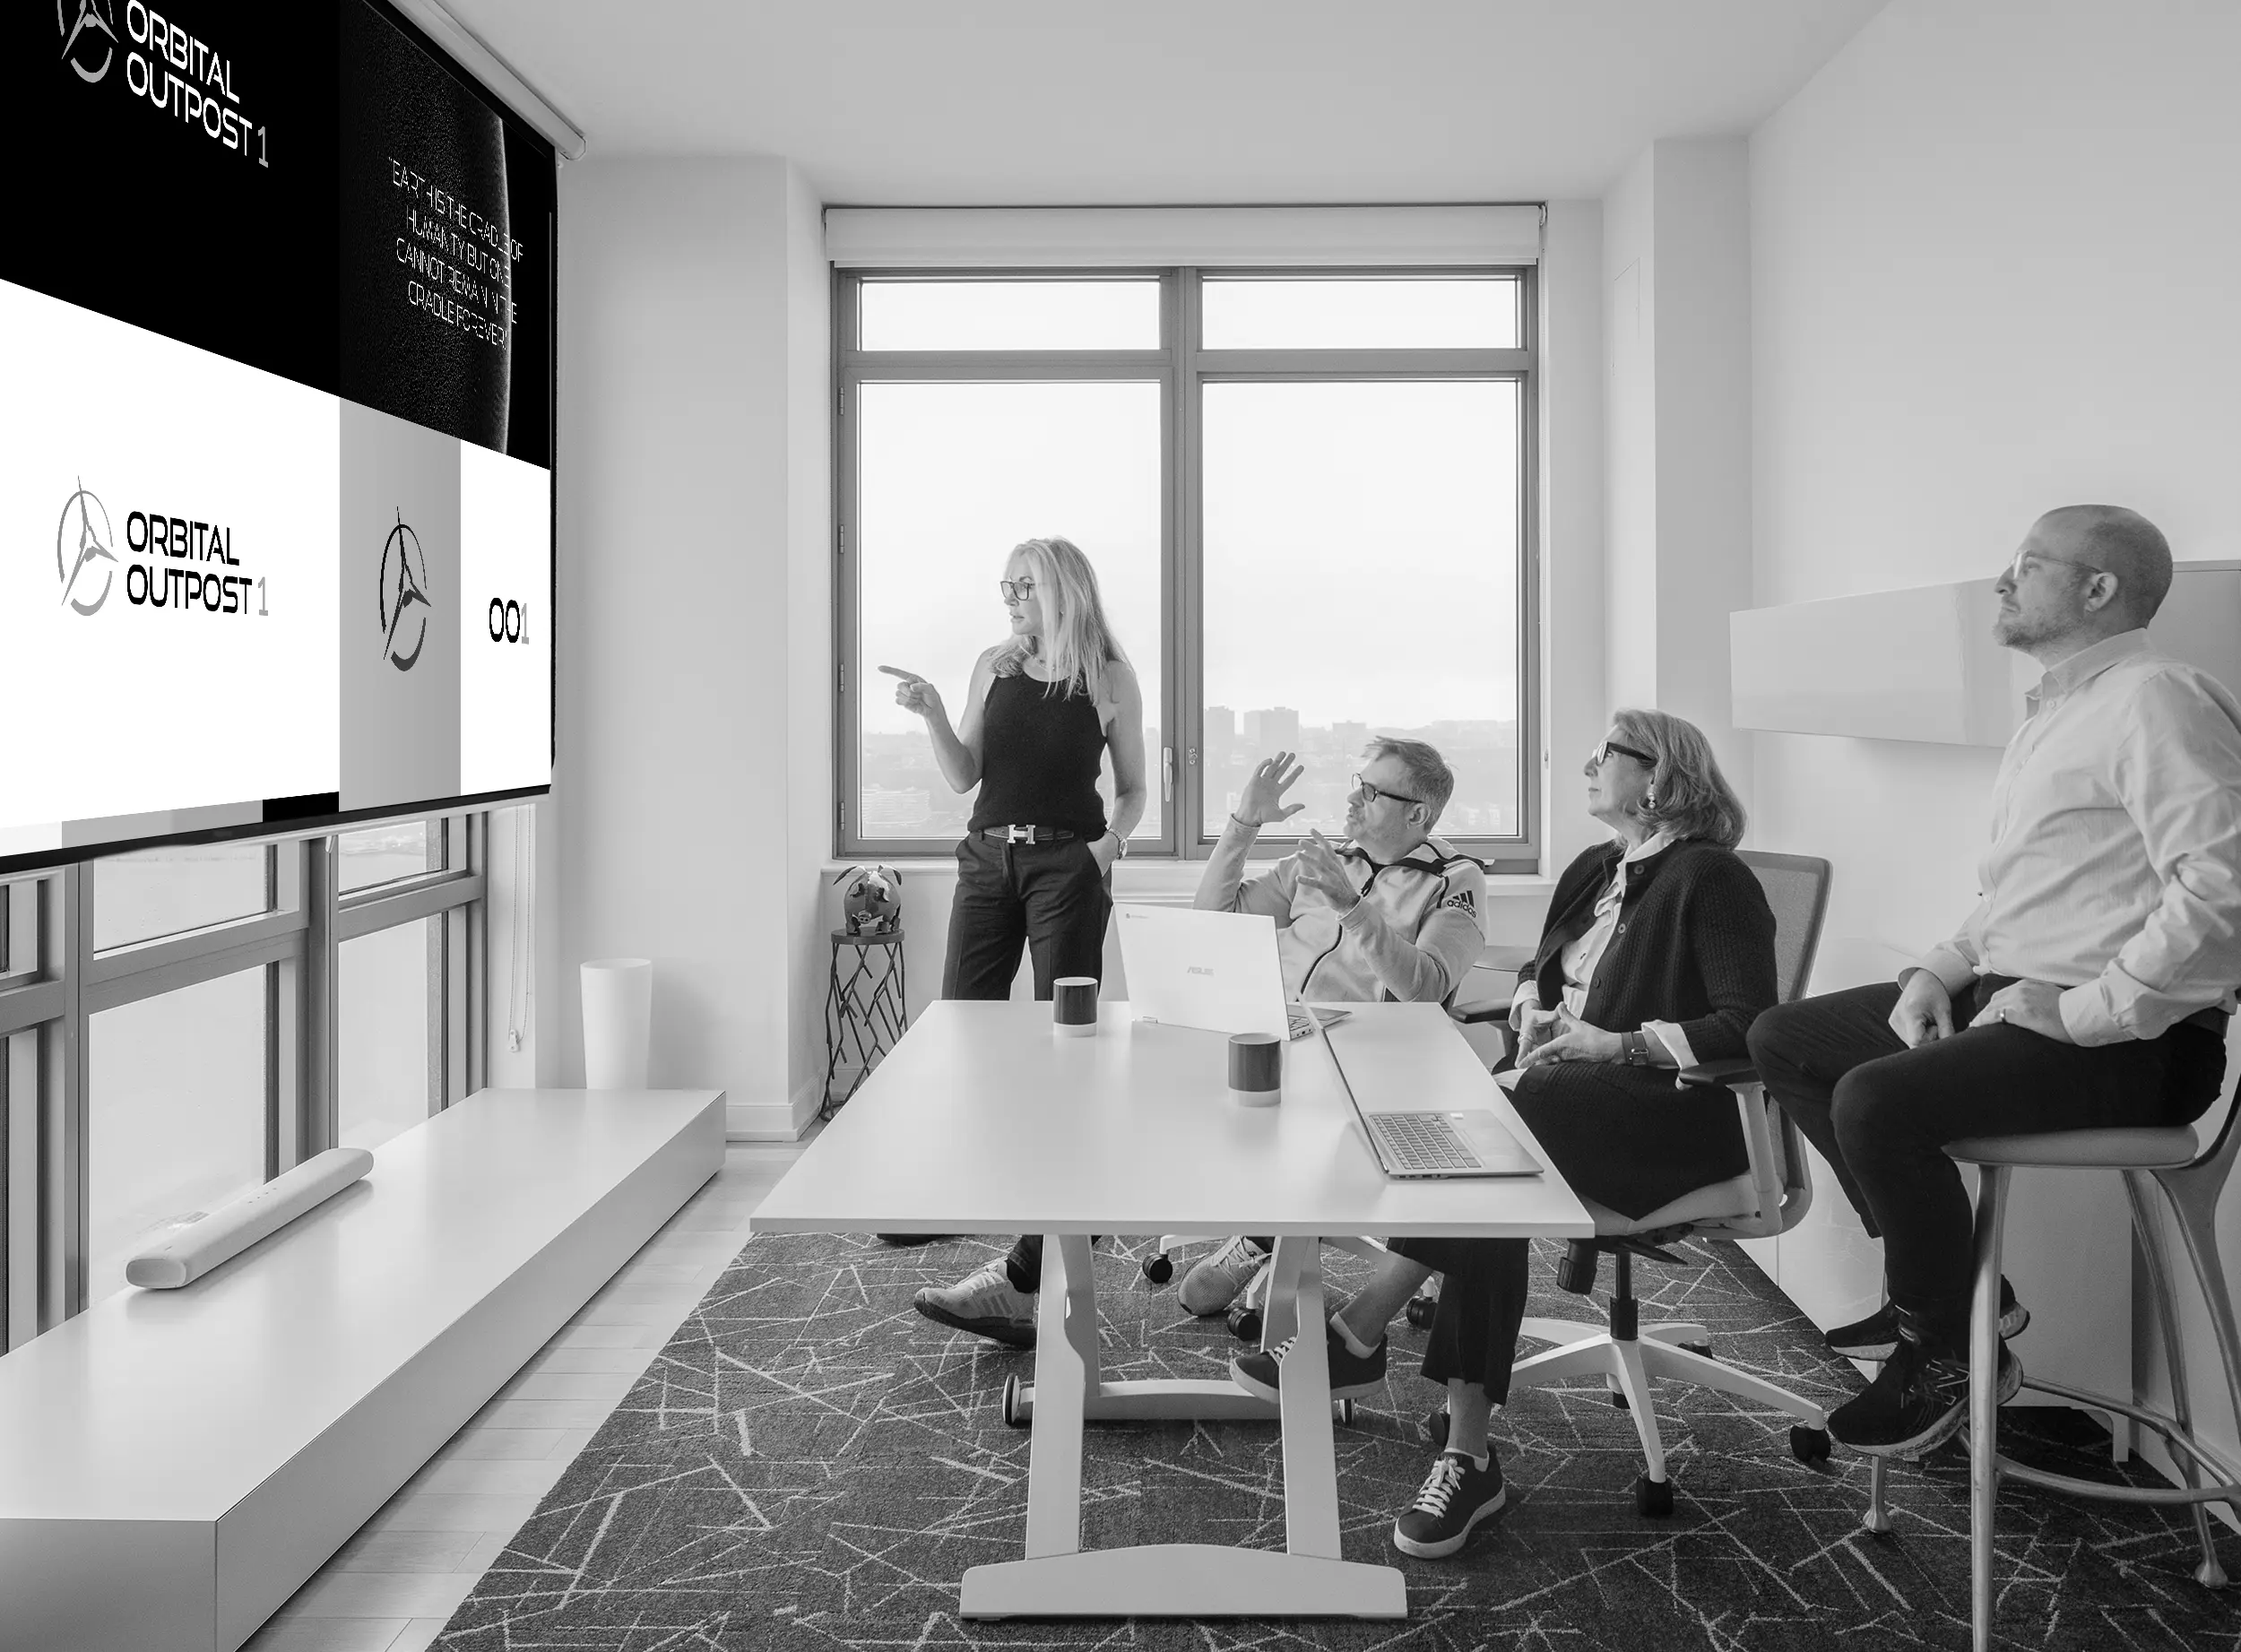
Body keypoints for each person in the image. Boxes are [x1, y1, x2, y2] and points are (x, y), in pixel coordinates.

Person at [1746, 505, 2240, 1458]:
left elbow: (2220, 889)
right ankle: (1967, 1298)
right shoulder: (2054, 711)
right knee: (1788, 1039)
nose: (2001, 583)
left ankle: (1941, 1347)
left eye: (2025, 565)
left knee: (1877, 1098)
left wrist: (2089, 1011)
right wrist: (1940, 967)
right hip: (2019, 997)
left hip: (2139, 1043)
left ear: (2098, 589)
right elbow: (2024, 891)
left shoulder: (2158, 698)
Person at [1231, 710, 1775, 1560]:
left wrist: (1618, 1042)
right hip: (1566, 1097)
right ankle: (1462, 1447)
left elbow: (1750, 1023)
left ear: (1659, 776)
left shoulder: (1711, 878)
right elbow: (1542, 967)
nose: (1587, 764)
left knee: (1485, 1137)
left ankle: (1365, 1333)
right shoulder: (1597, 867)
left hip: (1672, 1114)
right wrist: (1532, 1006)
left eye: (1606, 755)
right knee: (1488, 1165)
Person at [913, 736, 1487, 1345]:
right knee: (1112, 1105)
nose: (1353, 796)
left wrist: (1351, 909)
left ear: (1417, 813)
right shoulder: (1324, 860)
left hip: (1360, 1069)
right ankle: (1022, 1280)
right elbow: (1211, 915)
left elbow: (1426, 985)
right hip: (1267, 1036)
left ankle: (1267, 1239)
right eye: (1357, 779)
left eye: (1371, 791)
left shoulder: (1455, 879)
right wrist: (1244, 823)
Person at [881, 535, 1146, 1263]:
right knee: (963, 1029)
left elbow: (1133, 790)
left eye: (1023, 587)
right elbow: (964, 774)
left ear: (1063, 589)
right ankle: (949, 1189)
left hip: (1070, 863)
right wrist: (933, 709)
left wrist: (1105, 849)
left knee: (1067, 1038)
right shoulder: (991, 668)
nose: (1011, 600)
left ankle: (1057, 1210)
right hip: (988, 858)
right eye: (1005, 588)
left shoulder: (1110, 678)